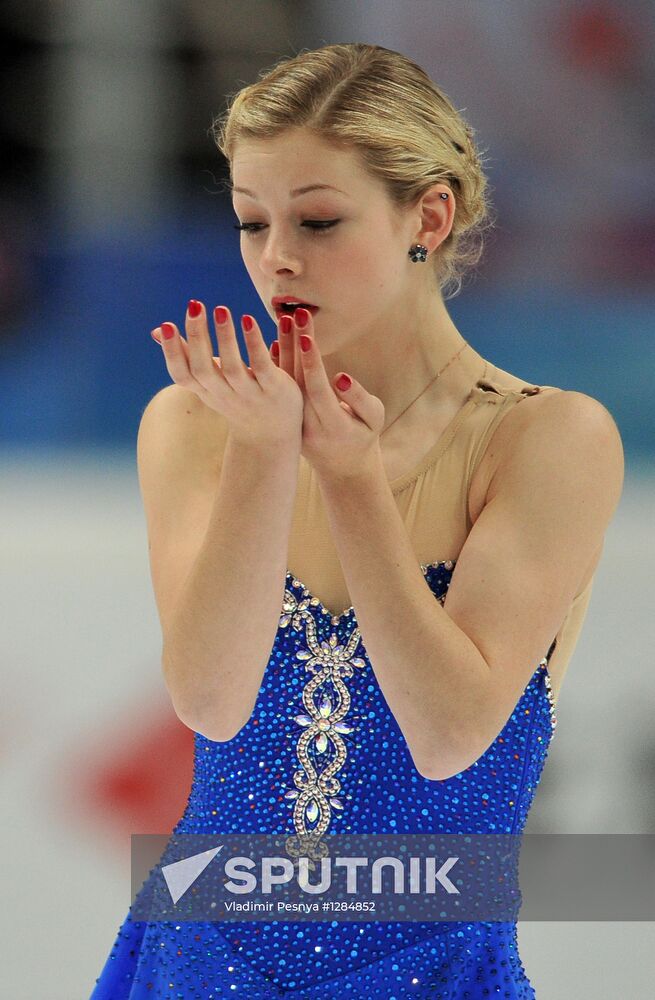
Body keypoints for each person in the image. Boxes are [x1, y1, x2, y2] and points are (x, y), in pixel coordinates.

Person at [90, 42, 624, 999]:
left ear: (428, 216)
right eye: (252, 222)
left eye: (318, 220)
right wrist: (263, 453)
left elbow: (448, 734)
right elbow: (210, 701)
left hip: (432, 970)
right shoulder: (195, 426)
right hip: (200, 963)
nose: (277, 258)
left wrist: (350, 478)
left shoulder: (547, 438)